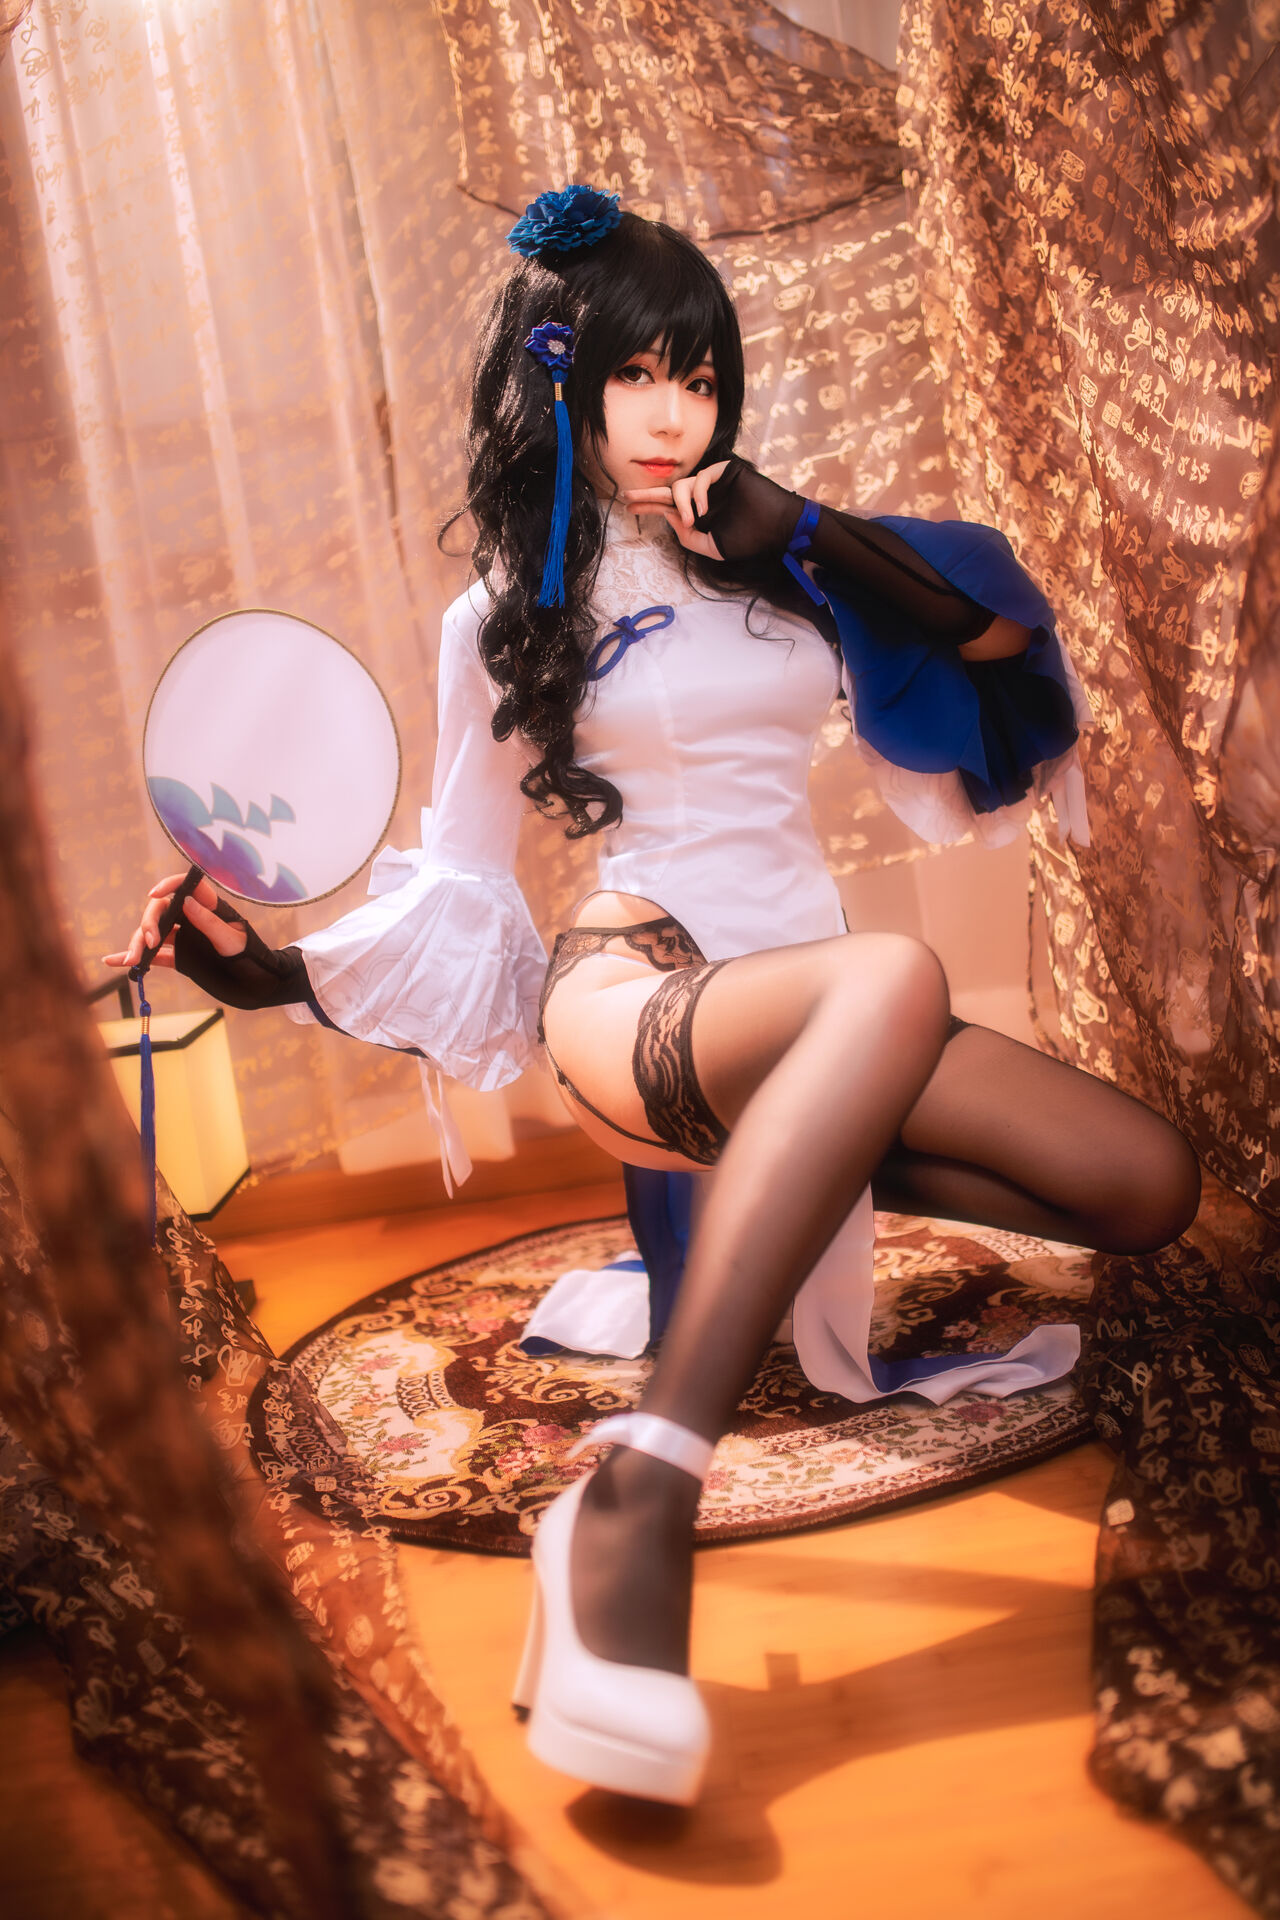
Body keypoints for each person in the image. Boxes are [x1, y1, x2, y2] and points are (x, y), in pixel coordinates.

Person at [107, 185, 1200, 1808]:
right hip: (636, 982)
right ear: (566, 383)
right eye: (635, 373)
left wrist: (805, 530)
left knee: (1147, 1183)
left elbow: (992, 644)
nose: (674, 410)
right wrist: (270, 978)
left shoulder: (778, 562)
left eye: (699, 374)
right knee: (895, 974)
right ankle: (640, 1499)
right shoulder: (501, 617)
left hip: (821, 1009)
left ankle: (800, 1161)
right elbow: (461, 874)